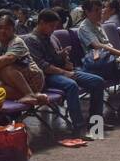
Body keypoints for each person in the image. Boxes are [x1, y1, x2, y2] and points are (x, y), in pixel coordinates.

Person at [26, 10, 106, 138]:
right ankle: (78, 127)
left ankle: (95, 122)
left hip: (61, 72)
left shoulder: (51, 37)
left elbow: (55, 59)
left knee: (98, 81)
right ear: (41, 23)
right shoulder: (31, 40)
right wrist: (64, 72)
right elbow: (41, 66)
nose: (54, 29)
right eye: (51, 26)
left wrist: (63, 57)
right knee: (71, 85)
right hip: (46, 77)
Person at [0, 13, 49, 106]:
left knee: (6, 68)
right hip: (12, 83)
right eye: (0, 28)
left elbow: (7, 60)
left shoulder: (17, 41)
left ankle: (29, 94)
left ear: (13, 30)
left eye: (7, 28)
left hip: (33, 79)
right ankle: (36, 97)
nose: (3, 31)